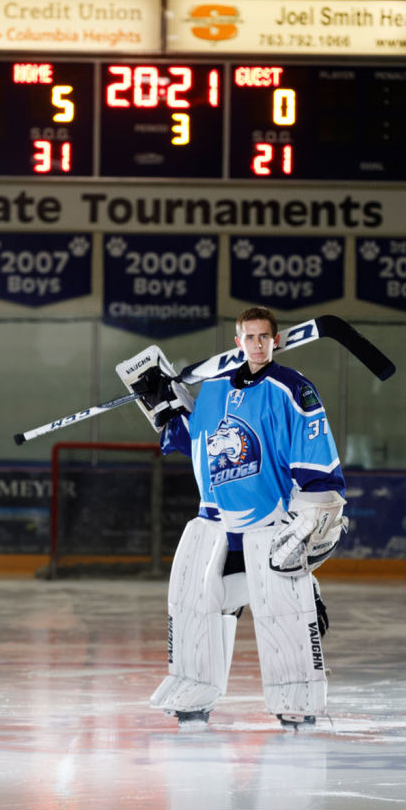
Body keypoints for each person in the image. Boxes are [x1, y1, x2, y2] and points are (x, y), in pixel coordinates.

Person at [139, 305, 347, 729]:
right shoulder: (213, 392)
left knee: (282, 606)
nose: (256, 344)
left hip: (269, 523)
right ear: (238, 342)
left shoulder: (292, 387)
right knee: (195, 598)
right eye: (248, 337)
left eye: (263, 337)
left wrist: (315, 511)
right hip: (216, 523)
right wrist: (162, 405)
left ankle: (298, 696)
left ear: (275, 341)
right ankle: (193, 684)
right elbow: (195, 440)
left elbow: (315, 454)